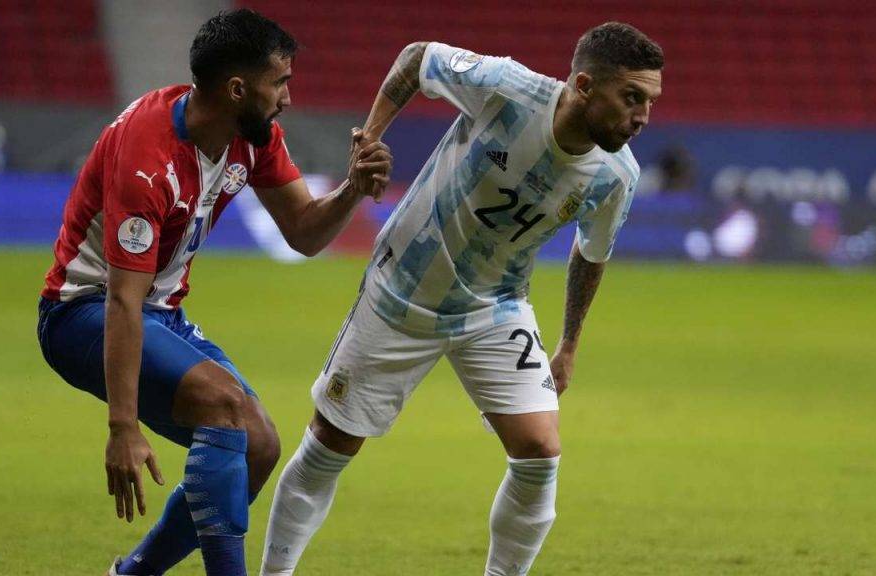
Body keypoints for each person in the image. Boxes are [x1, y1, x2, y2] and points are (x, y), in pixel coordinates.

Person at [261, 21, 662, 576]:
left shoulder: (617, 175)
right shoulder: (508, 89)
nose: (642, 116)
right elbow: (416, 56)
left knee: (540, 454)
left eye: (650, 101)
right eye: (632, 97)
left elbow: (590, 255)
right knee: (330, 444)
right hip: (402, 291)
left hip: (494, 307)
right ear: (586, 86)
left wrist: (568, 344)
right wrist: (369, 139)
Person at [35, 9, 391, 576]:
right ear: (236, 88)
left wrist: (353, 188)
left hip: (157, 312)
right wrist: (122, 428)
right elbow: (123, 300)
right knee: (224, 408)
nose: (288, 98)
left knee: (259, 447)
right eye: (280, 83)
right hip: (83, 312)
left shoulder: (253, 136)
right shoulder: (147, 158)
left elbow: (302, 231)